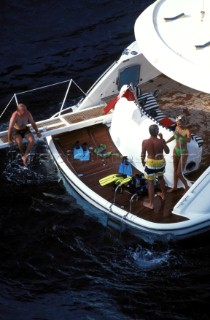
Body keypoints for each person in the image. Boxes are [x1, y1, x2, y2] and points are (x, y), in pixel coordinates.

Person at [141, 124, 170, 209]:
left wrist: (143, 161)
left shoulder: (145, 142)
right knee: (161, 178)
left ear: (149, 132)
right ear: (157, 132)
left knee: (150, 183)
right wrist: (162, 139)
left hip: (150, 163)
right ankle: (164, 195)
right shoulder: (161, 141)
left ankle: (151, 204)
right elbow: (167, 151)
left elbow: (142, 154)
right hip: (160, 162)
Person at [166, 114, 191, 192]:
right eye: (177, 123)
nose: (177, 124)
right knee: (175, 170)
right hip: (176, 150)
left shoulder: (187, 131)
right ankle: (175, 187)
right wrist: (166, 141)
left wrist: (181, 138)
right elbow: (174, 136)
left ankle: (187, 186)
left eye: (179, 123)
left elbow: (189, 140)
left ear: (183, 123)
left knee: (179, 173)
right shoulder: (176, 128)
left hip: (183, 152)